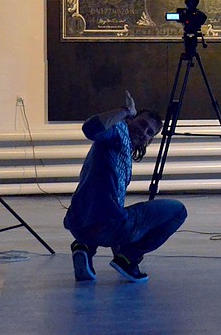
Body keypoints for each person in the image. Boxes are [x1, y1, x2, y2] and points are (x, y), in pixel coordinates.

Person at [64, 91, 187, 283]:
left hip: (78, 223)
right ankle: (128, 259)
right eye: (142, 124)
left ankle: (84, 247)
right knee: (178, 211)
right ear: (130, 120)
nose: (144, 132)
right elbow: (89, 128)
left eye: (149, 132)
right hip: (108, 225)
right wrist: (124, 111)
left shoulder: (119, 147)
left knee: (112, 212)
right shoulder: (117, 132)